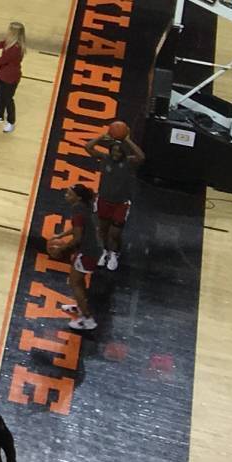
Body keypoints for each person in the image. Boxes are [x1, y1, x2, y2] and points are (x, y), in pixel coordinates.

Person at [92, 122, 144, 271]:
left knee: (114, 233)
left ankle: (114, 253)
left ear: (123, 153)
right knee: (102, 230)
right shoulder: (105, 158)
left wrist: (126, 139)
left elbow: (141, 157)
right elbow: (88, 147)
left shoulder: (128, 162)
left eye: (118, 152)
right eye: (113, 151)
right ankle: (103, 251)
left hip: (121, 203)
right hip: (103, 200)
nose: (116, 154)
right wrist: (102, 136)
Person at [54, 182, 100, 334]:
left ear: (78, 198)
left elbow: (78, 237)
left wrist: (62, 248)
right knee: (78, 281)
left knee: (74, 283)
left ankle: (87, 319)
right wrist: (61, 235)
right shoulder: (83, 206)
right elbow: (77, 229)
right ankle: (81, 307)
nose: (66, 196)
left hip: (87, 251)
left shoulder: (78, 210)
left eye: (69, 194)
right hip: (91, 249)